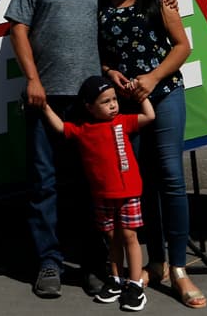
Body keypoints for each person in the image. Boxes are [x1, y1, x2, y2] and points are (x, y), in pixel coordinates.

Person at [98, 0, 207, 309]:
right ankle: (155, 262)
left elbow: (182, 46)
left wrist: (153, 78)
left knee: (172, 179)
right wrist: (109, 71)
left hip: (163, 96)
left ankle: (178, 268)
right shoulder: (103, 5)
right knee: (141, 184)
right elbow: (99, 55)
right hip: (126, 105)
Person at [6, 0, 105, 298]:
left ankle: (94, 264)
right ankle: (49, 263)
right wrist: (32, 80)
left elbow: (129, 9)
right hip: (44, 98)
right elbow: (18, 30)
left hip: (91, 102)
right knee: (43, 184)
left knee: (92, 183)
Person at [43, 76, 155, 312]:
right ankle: (116, 280)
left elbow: (149, 117)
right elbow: (61, 127)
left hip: (128, 192)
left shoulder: (123, 122)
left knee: (129, 237)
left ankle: (135, 285)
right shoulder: (83, 130)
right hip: (102, 195)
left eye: (114, 99)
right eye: (106, 101)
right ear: (89, 107)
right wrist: (44, 107)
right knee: (112, 238)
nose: (113, 105)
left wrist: (142, 96)